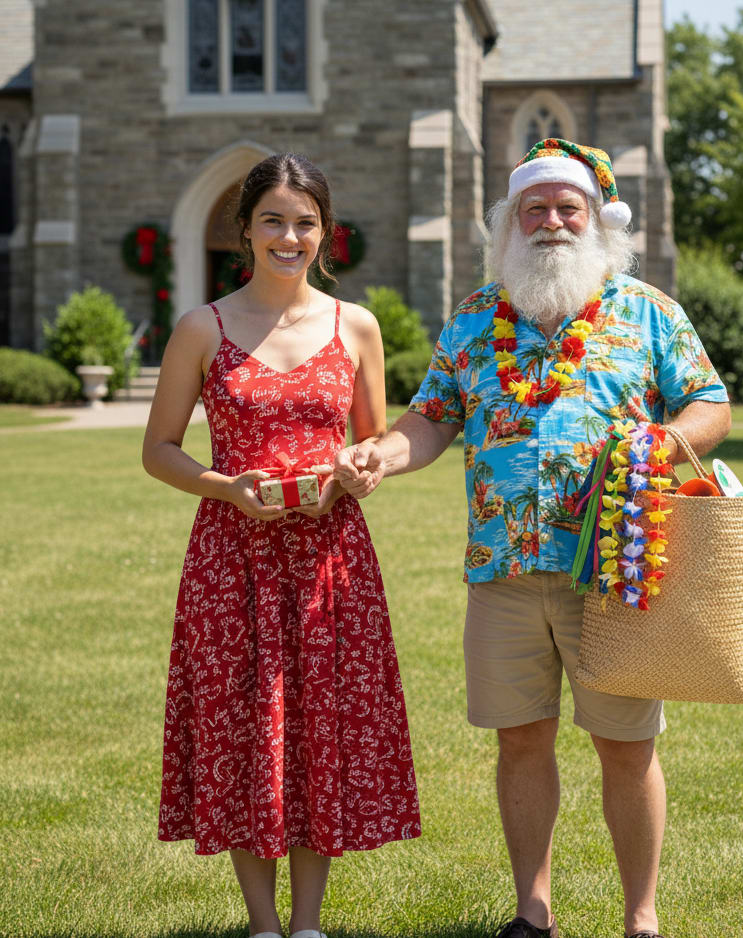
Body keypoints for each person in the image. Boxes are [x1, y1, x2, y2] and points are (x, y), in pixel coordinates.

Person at [334, 139, 731, 938]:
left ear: (594, 221)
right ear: (510, 223)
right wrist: (381, 452)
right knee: (520, 741)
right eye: (535, 209)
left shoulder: (648, 311)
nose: (551, 222)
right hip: (503, 568)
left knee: (626, 745)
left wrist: (662, 442)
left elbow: (710, 405)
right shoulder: (475, 320)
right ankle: (532, 911)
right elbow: (431, 420)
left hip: (613, 567)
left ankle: (641, 918)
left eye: (566, 208)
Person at [142, 152, 420, 938]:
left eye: (305, 223)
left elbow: (375, 443)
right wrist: (225, 487)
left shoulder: (354, 325)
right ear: (246, 229)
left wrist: (362, 471)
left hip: (332, 559)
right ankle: (263, 924)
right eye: (273, 220)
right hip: (233, 558)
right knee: (245, 727)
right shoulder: (204, 326)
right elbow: (159, 448)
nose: (288, 236)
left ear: (325, 234)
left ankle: (308, 925)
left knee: (318, 729)